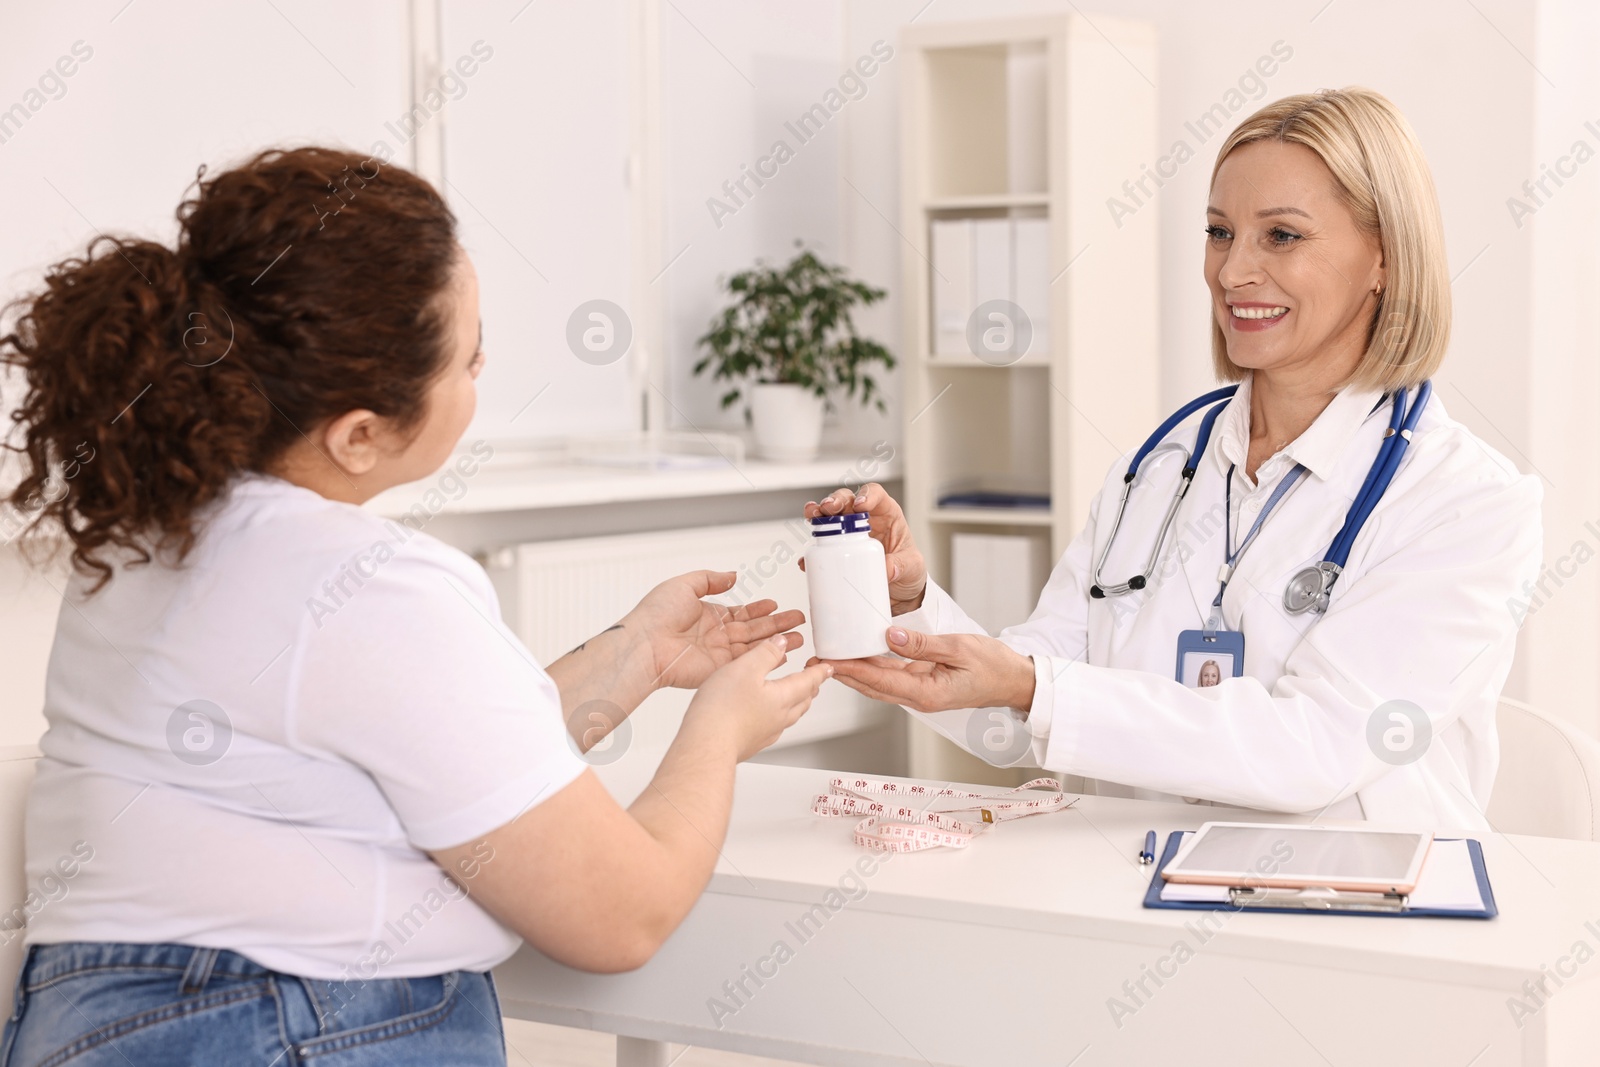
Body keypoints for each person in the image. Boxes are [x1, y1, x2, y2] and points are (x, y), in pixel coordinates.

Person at [0, 147, 831, 1066]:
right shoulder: (365, 581)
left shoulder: (140, 539)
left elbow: (425, 756)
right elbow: (621, 915)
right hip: (288, 1029)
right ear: (361, 434)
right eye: (468, 360)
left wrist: (634, 655)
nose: (482, 373)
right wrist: (721, 728)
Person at [806, 88, 1541, 828]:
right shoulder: (1156, 471)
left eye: (1281, 236)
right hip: (1129, 901)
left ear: (1384, 256)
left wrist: (1038, 688)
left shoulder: (1466, 503)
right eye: (1220, 232)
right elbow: (1014, 713)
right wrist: (905, 606)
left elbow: (1315, 746)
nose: (1231, 271)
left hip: (1353, 920)